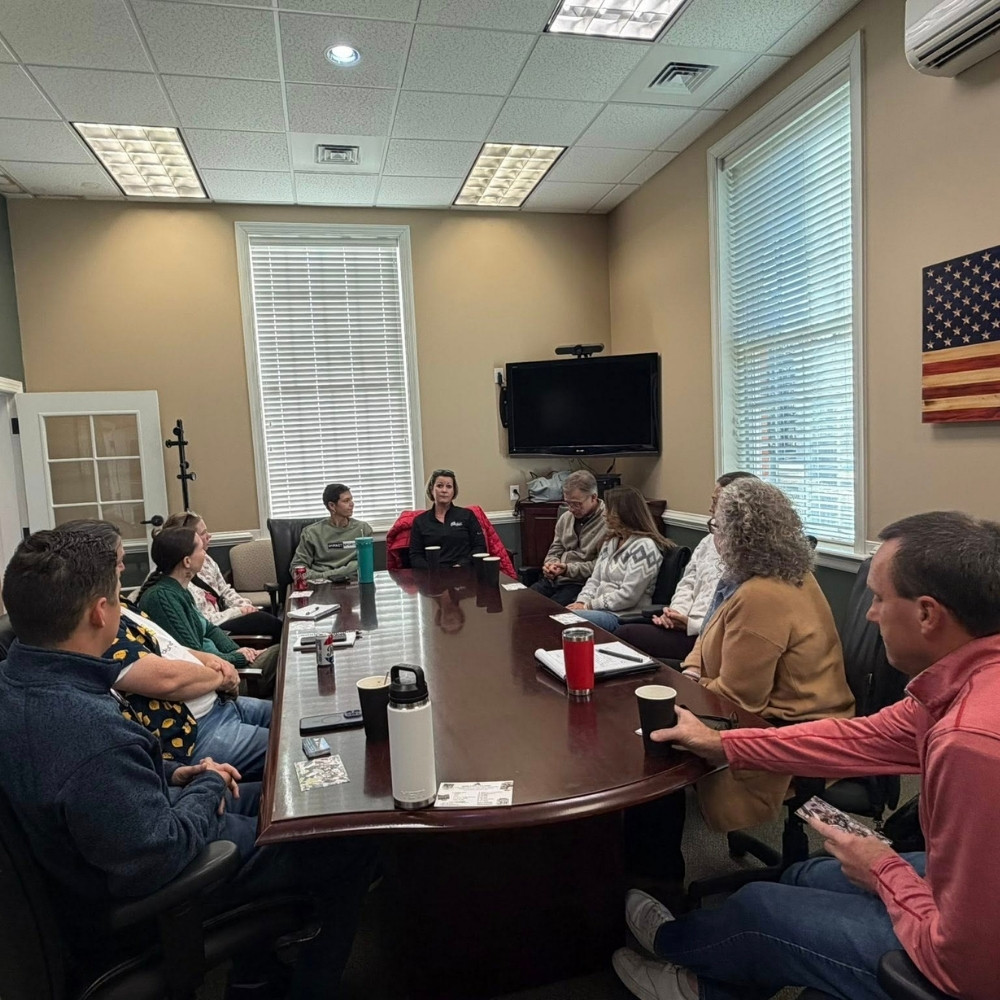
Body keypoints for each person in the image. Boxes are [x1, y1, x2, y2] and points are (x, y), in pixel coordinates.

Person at [613, 510, 1000, 1000]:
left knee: (761, 909)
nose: (869, 613)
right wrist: (719, 743)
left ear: (927, 614)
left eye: (880, 599)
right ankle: (710, 983)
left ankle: (675, 952)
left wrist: (883, 869)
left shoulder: (972, 743)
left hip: (971, 970)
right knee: (808, 873)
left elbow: (967, 967)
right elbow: (854, 739)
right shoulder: (961, 681)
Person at [0, 529, 374, 999]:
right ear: (99, 612)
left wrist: (174, 772)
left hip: (128, 829)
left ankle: (256, 973)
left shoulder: (19, 682)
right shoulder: (89, 729)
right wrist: (208, 786)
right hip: (156, 880)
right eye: (117, 598)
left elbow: (78, 783)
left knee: (303, 793)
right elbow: (161, 853)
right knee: (344, 836)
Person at [616, 472, 757, 661]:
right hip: (684, 626)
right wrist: (676, 614)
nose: (710, 509)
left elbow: (736, 619)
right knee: (623, 635)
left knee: (626, 636)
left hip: (712, 639)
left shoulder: (755, 554)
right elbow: (687, 583)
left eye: (716, 503)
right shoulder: (709, 541)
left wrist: (691, 625)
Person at [137, 527, 281, 697]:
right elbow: (194, 655)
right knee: (285, 654)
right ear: (187, 562)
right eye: (200, 549)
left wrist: (240, 651)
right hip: (220, 681)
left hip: (228, 666)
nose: (205, 553)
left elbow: (210, 629)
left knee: (285, 649)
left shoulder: (179, 590)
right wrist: (240, 658)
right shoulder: (162, 598)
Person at [161, 511, 282, 642]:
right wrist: (238, 612)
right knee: (266, 622)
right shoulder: (177, 579)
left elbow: (224, 590)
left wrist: (244, 606)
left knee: (267, 620)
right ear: (187, 539)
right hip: (212, 627)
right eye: (203, 533)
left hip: (224, 615)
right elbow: (201, 621)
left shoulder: (205, 559)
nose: (209, 536)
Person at [566, 485, 670, 633]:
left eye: (609, 510)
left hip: (623, 616)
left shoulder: (645, 547)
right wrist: (581, 601)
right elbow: (595, 580)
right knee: (560, 616)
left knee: (568, 621)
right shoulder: (610, 542)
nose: (604, 514)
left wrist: (588, 606)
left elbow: (628, 596)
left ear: (624, 513)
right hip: (597, 610)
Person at [530, 469, 606, 606]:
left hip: (581, 584)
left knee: (551, 613)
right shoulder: (566, 518)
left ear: (593, 497)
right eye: (567, 503)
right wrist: (551, 565)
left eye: (576, 504)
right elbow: (555, 548)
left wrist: (567, 569)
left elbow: (602, 567)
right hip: (555, 579)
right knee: (524, 602)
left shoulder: (608, 522)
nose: (571, 509)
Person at [291, 483, 374, 583]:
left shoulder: (363, 529)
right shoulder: (311, 533)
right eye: (346, 501)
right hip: (321, 586)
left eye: (351, 499)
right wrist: (329, 577)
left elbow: (364, 564)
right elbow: (297, 569)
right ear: (332, 506)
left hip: (352, 584)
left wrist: (323, 575)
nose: (352, 504)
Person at [409, 468, 486, 569]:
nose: (444, 490)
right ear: (431, 489)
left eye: (449, 486)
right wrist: (431, 571)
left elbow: (479, 547)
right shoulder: (420, 521)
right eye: (439, 486)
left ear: (454, 491)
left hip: (464, 573)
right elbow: (415, 555)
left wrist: (462, 565)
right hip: (432, 576)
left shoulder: (467, 515)